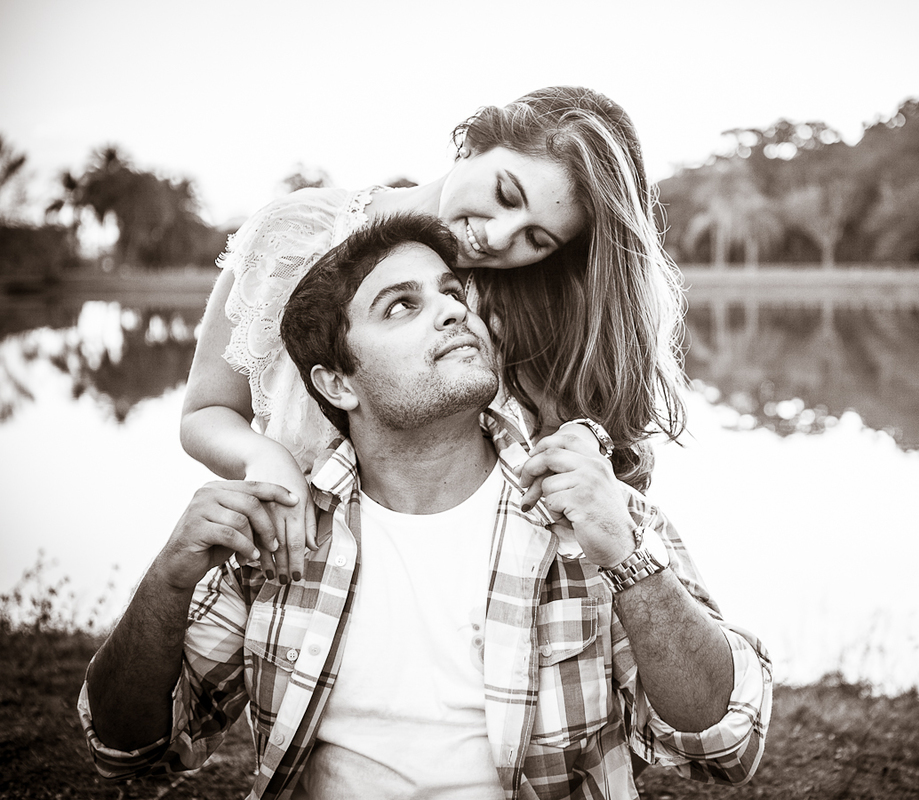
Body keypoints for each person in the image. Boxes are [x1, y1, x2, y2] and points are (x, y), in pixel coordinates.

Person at [80, 214, 771, 799]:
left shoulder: (594, 511)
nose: (451, 310)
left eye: (452, 292)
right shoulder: (277, 531)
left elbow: (726, 742)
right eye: (400, 305)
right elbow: (128, 752)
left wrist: (627, 557)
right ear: (337, 382)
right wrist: (170, 578)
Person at [180, 86, 688, 585]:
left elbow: (578, 447)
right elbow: (205, 412)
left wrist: (584, 441)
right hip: (296, 568)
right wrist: (267, 458)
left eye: (536, 239)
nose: (497, 238)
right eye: (506, 195)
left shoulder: (534, 306)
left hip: (468, 586)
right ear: (471, 142)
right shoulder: (293, 234)